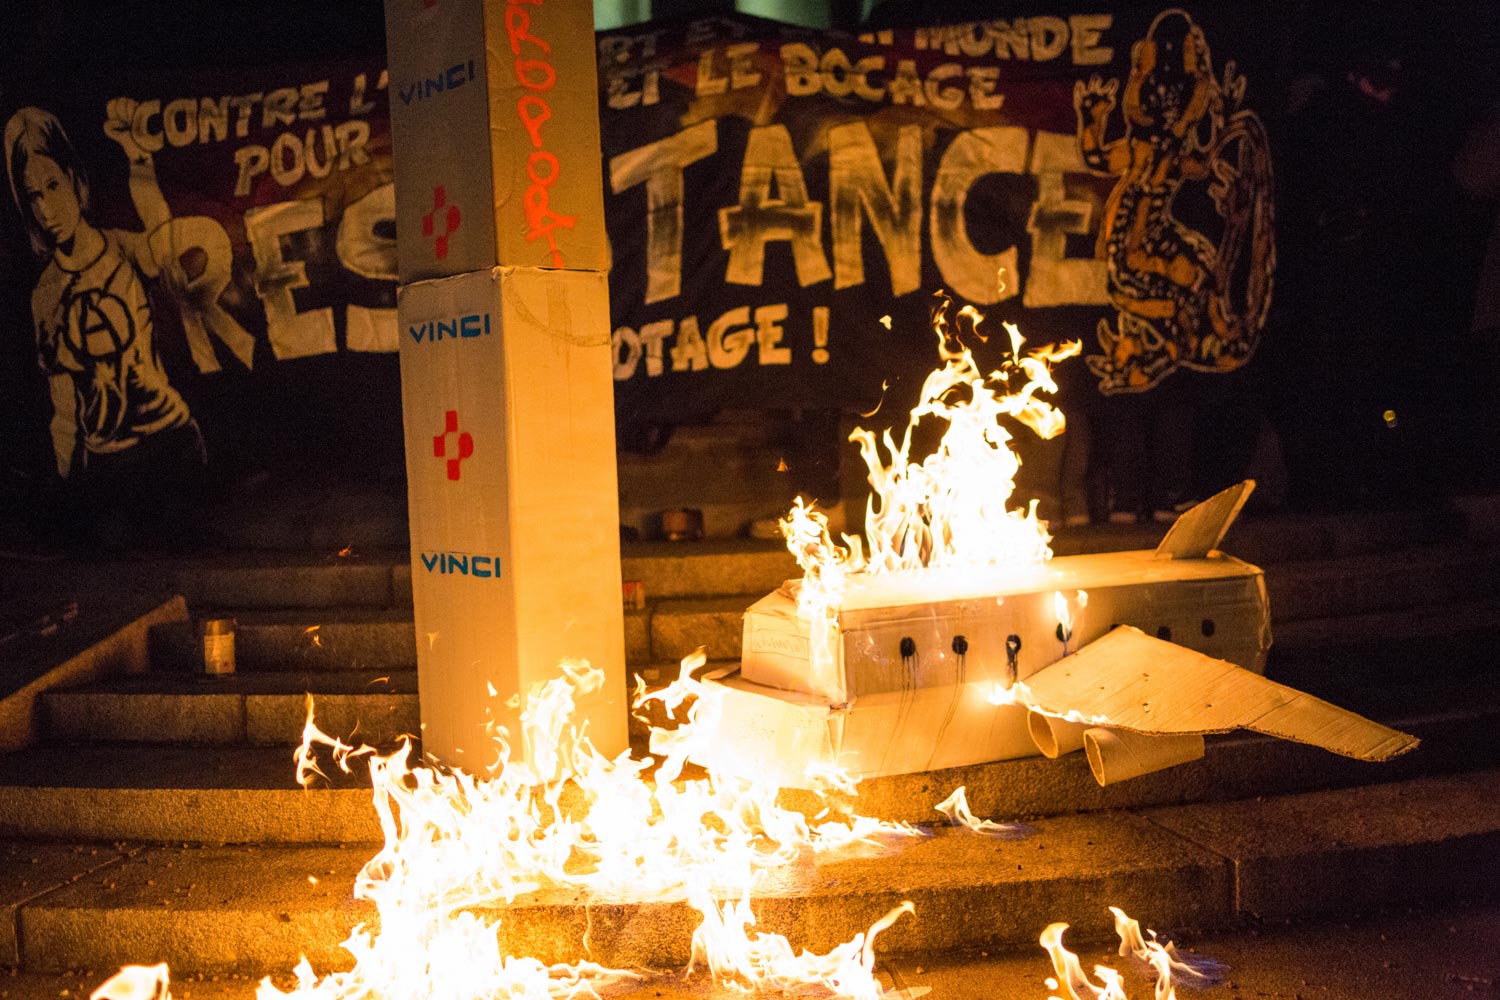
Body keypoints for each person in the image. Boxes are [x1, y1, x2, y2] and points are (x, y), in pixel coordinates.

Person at [5, 104, 205, 545]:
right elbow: (63, 405)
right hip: (110, 463)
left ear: (75, 181)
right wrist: (65, 484)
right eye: (32, 195)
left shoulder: (125, 251)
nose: (46, 208)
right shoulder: (46, 294)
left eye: (53, 185)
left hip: (169, 439)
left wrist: (139, 159)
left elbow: (166, 242)